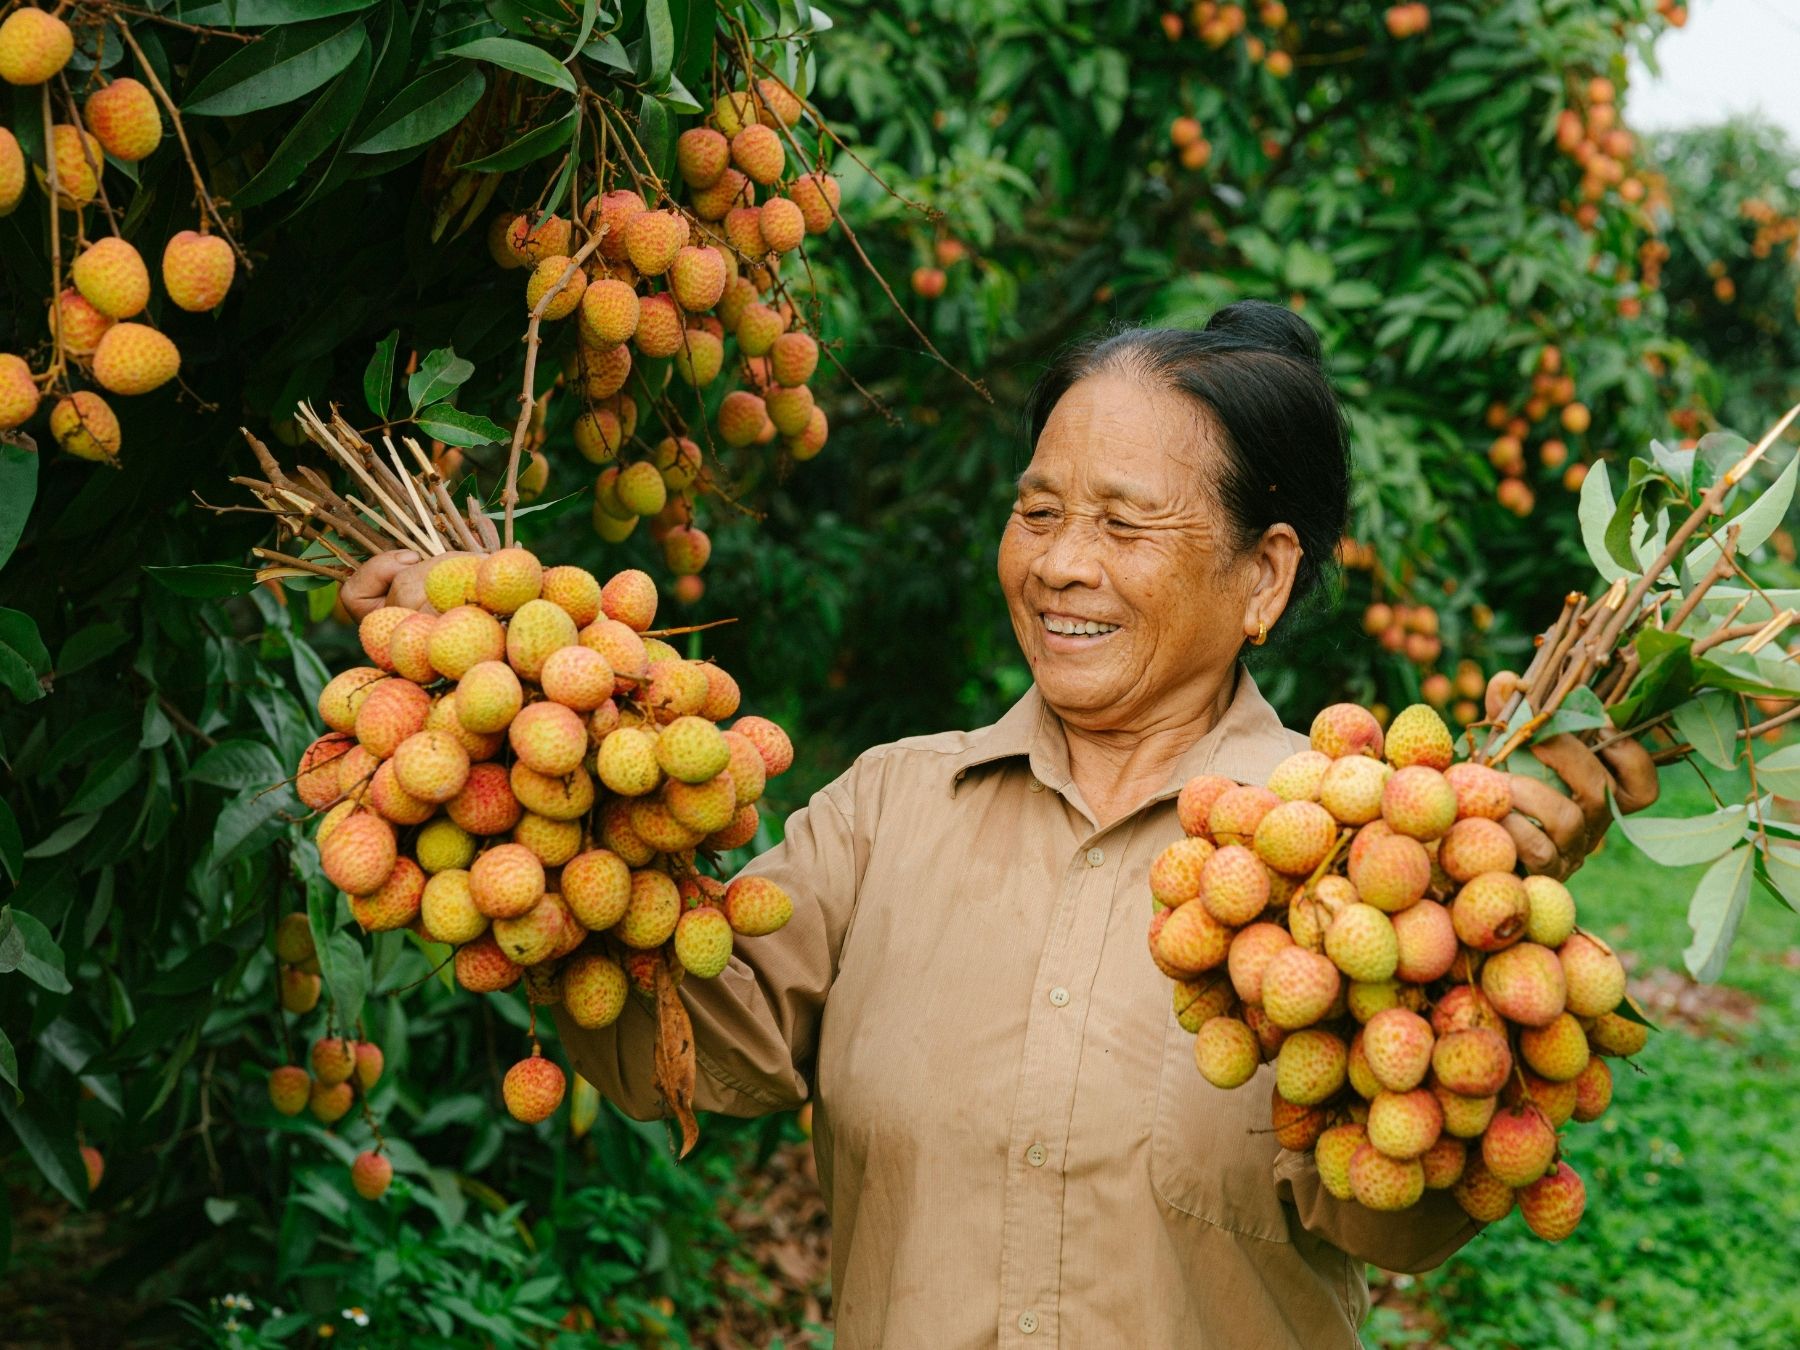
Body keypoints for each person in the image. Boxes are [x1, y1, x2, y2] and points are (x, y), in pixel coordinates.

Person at [343, 301, 1658, 1348]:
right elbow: (706, 1047)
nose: (1059, 562)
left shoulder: (1351, 858)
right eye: (1038, 511)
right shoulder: (887, 808)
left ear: (1265, 574)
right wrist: (516, 778)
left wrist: (1466, 975)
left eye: (1124, 523)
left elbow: (1395, 1216)